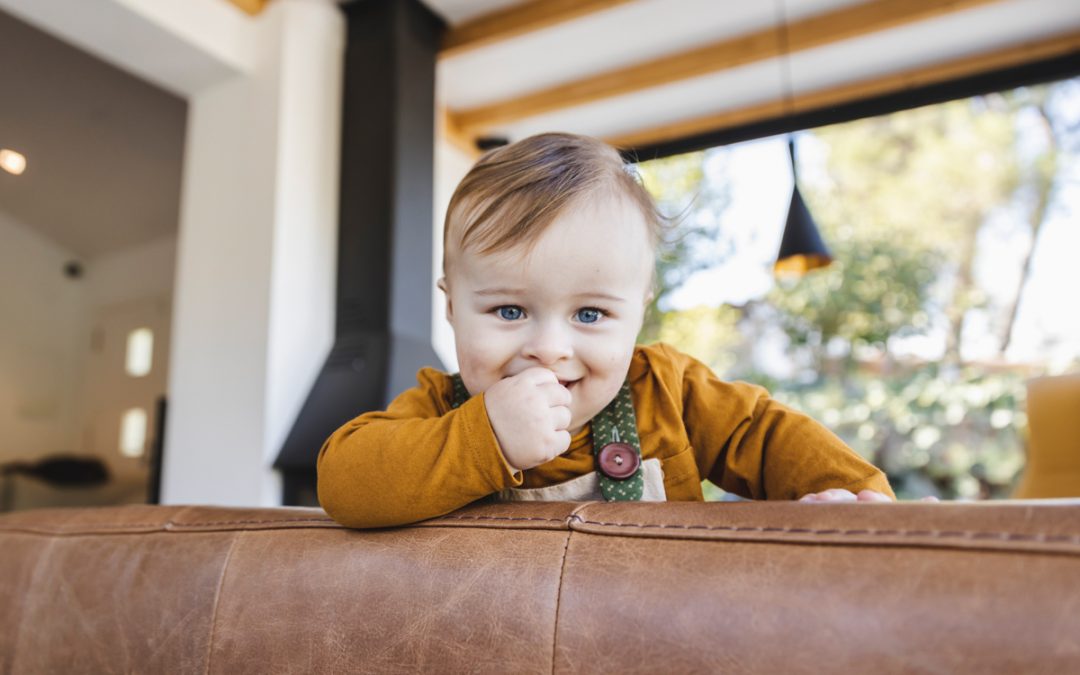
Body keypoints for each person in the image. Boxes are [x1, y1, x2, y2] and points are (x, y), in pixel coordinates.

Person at [318, 132, 894, 529]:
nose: (548, 349)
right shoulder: (441, 407)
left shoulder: (669, 392)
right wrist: (484, 437)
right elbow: (344, 483)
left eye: (589, 314)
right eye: (509, 311)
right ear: (451, 309)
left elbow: (765, 435)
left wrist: (855, 494)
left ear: (638, 314)